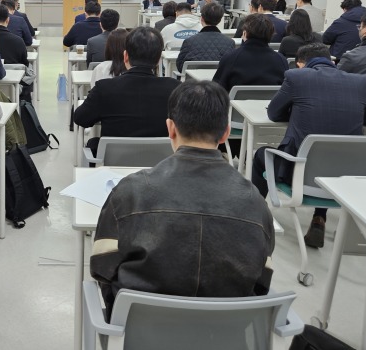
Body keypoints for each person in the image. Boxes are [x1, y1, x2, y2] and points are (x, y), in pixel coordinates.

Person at [91, 80, 274, 320]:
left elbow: (101, 266)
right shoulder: (255, 201)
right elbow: (262, 280)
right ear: (226, 133)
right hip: (225, 331)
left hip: (145, 326)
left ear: (171, 128)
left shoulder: (131, 190)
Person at [251, 43, 366, 248]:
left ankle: (255, 217)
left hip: (298, 174)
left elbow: (273, 113)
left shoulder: (296, 77)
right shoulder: (359, 82)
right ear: (331, 60)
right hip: (346, 178)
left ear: (301, 64)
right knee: (330, 154)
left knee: (261, 155)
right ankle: (319, 218)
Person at [74, 27, 181, 155]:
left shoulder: (104, 88)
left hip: (114, 166)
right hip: (161, 166)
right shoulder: (176, 89)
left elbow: (80, 118)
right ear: (159, 59)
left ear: (125, 56)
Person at [213, 13, 288, 92]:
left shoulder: (230, 58)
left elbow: (217, 91)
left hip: (235, 104)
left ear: (245, 33)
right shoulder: (281, 60)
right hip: (270, 104)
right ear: (271, 35)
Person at [176, 2, 235, 72]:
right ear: (219, 20)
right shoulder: (230, 43)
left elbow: (180, 67)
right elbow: (231, 67)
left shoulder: (189, 41)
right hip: (218, 82)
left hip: (194, 82)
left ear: (201, 19)